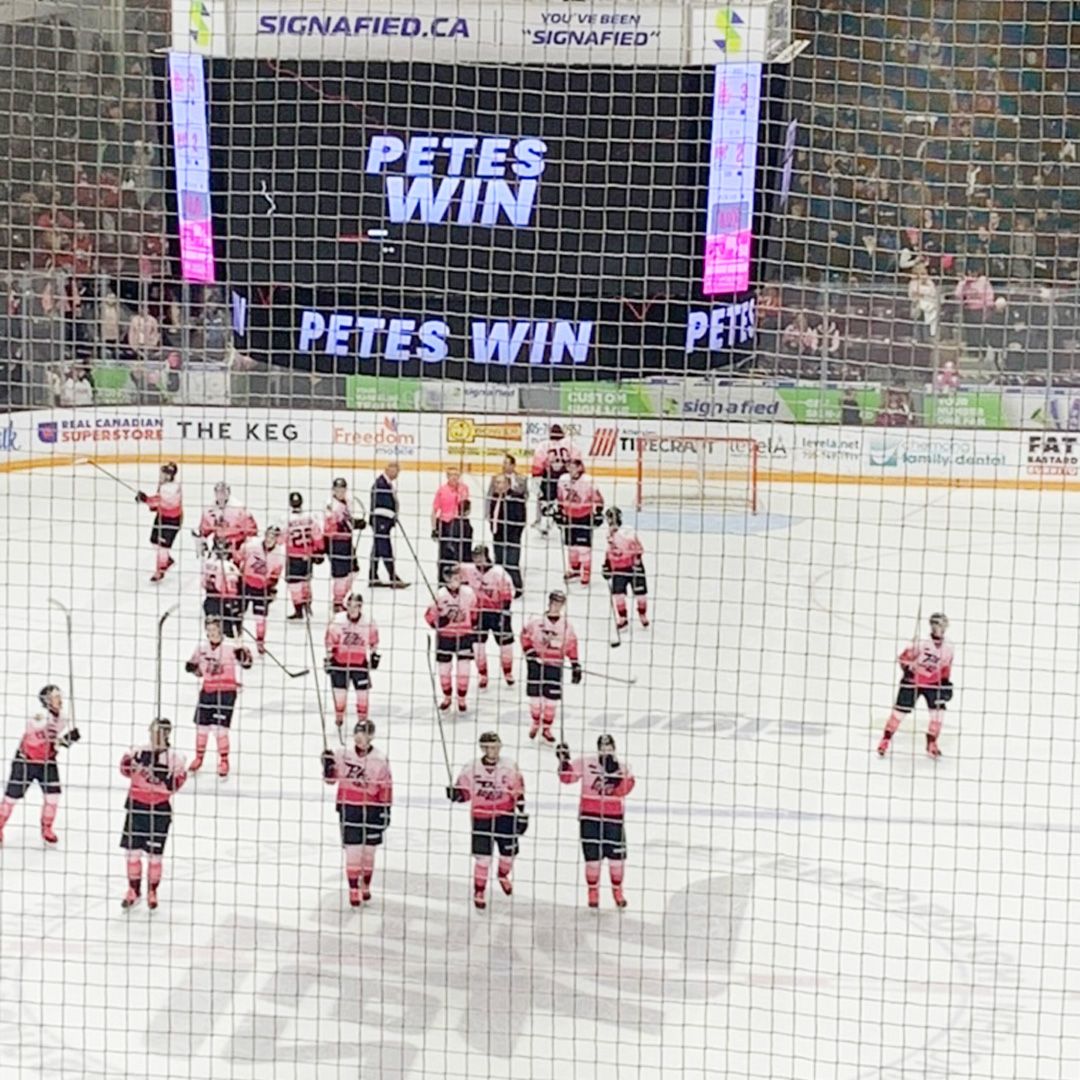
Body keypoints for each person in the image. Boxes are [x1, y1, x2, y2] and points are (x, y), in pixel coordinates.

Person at [446, 732, 527, 910]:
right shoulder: (470, 768)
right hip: (481, 817)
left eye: (496, 746)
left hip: (505, 816)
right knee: (483, 859)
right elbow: (465, 794)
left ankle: (502, 874)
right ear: (483, 748)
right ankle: (479, 890)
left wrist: (521, 813)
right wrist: (456, 795)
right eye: (489, 747)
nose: (493, 750)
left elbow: (519, 790)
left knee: (509, 855)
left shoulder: (510, 766)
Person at [556, 734, 635, 908]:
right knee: (592, 859)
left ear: (614, 748)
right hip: (589, 818)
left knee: (617, 859)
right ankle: (593, 891)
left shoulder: (623, 767)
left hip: (614, 819)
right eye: (603, 747)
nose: (606, 750)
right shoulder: (585, 762)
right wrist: (563, 761)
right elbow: (567, 778)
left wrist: (616, 778)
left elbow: (626, 789)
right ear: (598, 748)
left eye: (609, 747)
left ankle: (617, 890)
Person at [322, 719, 393, 906]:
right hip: (349, 808)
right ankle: (353, 889)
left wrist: (385, 811)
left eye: (365, 735)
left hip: (372, 810)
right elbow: (331, 780)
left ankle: (365, 885)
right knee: (353, 851)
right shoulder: (342, 754)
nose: (360, 739)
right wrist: (327, 766)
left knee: (369, 852)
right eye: (358, 735)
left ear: (372, 736)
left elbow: (386, 786)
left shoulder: (380, 759)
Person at [119, 718, 188, 910]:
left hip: (159, 811)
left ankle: (152, 890)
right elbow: (124, 770)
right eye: (152, 731)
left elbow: (175, 786)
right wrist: (133, 763)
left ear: (167, 734)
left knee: (154, 856)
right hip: (136, 807)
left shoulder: (176, 758)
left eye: (158, 732)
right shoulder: (139, 751)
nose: (153, 736)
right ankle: (133, 890)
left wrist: (163, 776)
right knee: (132, 853)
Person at [0, 685, 79, 845]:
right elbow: (33, 739)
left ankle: (47, 828)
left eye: (59, 695)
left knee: (53, 795)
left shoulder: (62, 719)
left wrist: (65, 741)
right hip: (26, 761)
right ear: (47, 700)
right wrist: (58, 742)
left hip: (47, 762)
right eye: (56, 696)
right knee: (12, 796)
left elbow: (53, 744)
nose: (60, 699)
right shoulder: (39, 717)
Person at [878, 613, 954, 758]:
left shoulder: (949, 647)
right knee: (899, 713)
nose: (941, 628)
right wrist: (907, 670)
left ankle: (932, 742)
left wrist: (945, 683)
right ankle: (886, 740)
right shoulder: (920, 643)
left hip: (933, 684)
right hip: (913, 682)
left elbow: (946, 667)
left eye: (943, 625)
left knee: (938, 715)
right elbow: (903, 658)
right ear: (932, 626)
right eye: (938, 625)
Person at [185, 616, 253, 777]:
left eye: (215, 630)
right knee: (202, 727)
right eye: (209, 631)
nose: (212, 633)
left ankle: (224, 760)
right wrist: (191, 668)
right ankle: (199, 757)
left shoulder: (230, 647)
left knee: (219, 729)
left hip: (226, 692)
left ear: (221, 630)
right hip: (207, 691)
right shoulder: (201, 648)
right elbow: (199, 672)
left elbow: (247, 664)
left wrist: (244, 657)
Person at [520, 590, 581, 742]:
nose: (556, 606)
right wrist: (530, 652)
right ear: (549, 602)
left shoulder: (566, 625)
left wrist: (575, 664)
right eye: (554, 602)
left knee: (551, 700)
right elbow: (525, 636)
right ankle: (535, 722)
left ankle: (547, 728)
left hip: (555, 665)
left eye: (560, 603)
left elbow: (572, 644)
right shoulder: (536, 621)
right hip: (536, 664)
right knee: (535, 698)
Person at [424, 563, 478, 712]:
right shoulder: (439, 595)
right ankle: (447, 697)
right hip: (445, 638)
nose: (457, 579)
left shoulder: (468, 593)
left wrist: (471, 625)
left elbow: (474, 611)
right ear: (446, 579)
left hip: (464, 636)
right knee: (444, 670)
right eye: (453, 577)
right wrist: (442, 621)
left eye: (458, 577)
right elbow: (429, 616)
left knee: (464, 670)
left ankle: (462, 698)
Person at [324, 593, 381, 731]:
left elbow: (373, 639)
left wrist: (374, 655)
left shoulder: (368, 622)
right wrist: (329, 658)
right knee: (339, 694)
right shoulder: (338, 620)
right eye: (349, 605)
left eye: (355, 606)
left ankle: (362, 721)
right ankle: (339, 715)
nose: (351, 609)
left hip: (359, 664)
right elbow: (330, 640)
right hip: (340, 663)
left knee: (363, 695)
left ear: (360, 607)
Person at [462, 546, 516, 689]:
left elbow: (509, 593)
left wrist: (504, 612)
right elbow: (452, 574)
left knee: (506, 646)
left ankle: (508, 672)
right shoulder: (468, 570)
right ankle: (483, 674)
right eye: (475, 556)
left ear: (486, 556)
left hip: (498, 613)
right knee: (478, 646)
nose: (477, 559)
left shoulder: (498, 573)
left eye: (480, 556)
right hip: (478, 614)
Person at [235, 524, 285, 654]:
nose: (269, 539)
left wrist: (272, 588)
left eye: (273, 537)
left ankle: (260, 642)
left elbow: (276, 573)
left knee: (260, 618)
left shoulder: (279, 554)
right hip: (245, 585)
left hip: (261, 589)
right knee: (237, 615)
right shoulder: (251, 545)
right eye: (268, 536)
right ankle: (237, 641)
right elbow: (238, 558)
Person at [555, 458, 605, 585]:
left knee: (583, 548)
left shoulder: (588, 481)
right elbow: (560, 497)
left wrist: (598, 512)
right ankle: (575, 570)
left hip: (584, 517)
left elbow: (598, 498)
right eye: (568, 466)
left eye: (573, 466)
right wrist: (559, 512)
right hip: (569, 517)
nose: (570, 469)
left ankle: (586, 572)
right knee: (572, 548)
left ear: (579, 467)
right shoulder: (563, 479)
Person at [602, 507, 649, 629]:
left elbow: (638, 548)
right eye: (609, 519)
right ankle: (622, 618)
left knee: (641, 594)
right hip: (618, 568)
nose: (611, 521)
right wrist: (606, 564)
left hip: (634, 567)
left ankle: (642, 614)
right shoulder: (609, 534)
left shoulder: (628, 531)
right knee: (618, 594)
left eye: (613, 518)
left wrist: (637, 562)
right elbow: (609, 551)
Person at [136, 461, 182, 583]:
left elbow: (158, 501)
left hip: (171, 520)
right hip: (162, 516)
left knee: (163, 546)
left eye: (163, 473)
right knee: (154, 541)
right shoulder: (164, 484)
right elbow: (158, 502)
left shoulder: (171, 487)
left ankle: (160, 570)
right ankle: (167, 560)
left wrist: (145, 499)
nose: (161, 475)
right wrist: (147, 500)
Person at [325, 477, 366, 612]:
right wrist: (353, 524)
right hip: (336, 543)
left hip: (347, 542)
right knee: (341, 575)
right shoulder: (330, 504)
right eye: (338, 489)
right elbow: (332, 525)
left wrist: (356, 522)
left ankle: (342, 596)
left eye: (343, 489)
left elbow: (347, 521)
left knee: (354, 570)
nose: (340, 492)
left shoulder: (347, 502)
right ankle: (337, 602)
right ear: (333, 490)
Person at [530, 424, 579, 535]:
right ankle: (567, 520)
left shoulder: (544, 445)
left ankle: (543, 522)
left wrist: (536, 477)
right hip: (565, 477)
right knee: (566, 500)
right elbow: (577, 461)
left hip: (549, 477)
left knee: (544, 500)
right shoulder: (570, 444)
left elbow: (538, 463)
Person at [285, 491, 324, 620]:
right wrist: (319, 550)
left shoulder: (285, 519)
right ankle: (307, 606)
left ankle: (298, 610)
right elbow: (317, 534)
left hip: (293, 556)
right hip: (308, 555)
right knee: (306, 582)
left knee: (294, 584)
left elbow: (280, 538)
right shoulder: (310, 517)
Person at [368, 462, 407, 588]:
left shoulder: (386, 483)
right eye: (396, 471)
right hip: (381, 522)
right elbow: (381, 504)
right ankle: (392, 576)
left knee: (378, 549)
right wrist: (391, 516)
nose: (397, 474)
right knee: (385, 548)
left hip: (384, 522)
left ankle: (373, 576)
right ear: (388, 470)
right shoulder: (380, 484)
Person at [487, 472, 527, 595]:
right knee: (499, 563)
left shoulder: (517, 497)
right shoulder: (494, 497)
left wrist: (515, 534)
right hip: (497, 535)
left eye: (501, 482)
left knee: (511, 563)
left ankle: (517, 588)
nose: (498, 485)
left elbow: (521, 518)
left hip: (512, 537)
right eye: (496, 482)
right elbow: (493, 514)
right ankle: (502, 587)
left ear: (508, 484)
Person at [196, 482, 257, 556]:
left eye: (223, 492)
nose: (221, 495)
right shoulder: (209, 510)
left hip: (237, 546)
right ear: (215, 493)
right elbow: (204, 530)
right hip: (218, 546)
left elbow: (252, 531)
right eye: (219, 492)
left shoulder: (239, 509)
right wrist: (201, 542)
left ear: (229, 493)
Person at [430, 467, 470, 581]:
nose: (454, 477)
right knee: (445, 553)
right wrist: (434, 529)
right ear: (447, 476)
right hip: (445, 524)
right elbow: (434, 511)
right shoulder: (441, 490)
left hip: (460, 523)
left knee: (461, 552)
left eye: (457, 475)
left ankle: (462, 578)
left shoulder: (464, 488)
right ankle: (443, 579)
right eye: (451, 475)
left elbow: (466, 509)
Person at [201, 538, 242, 640]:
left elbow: (203, 583)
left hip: (209, 600)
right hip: (224, 601)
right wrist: (234, 604)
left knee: (212, 629)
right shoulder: (229, 566)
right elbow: (232, 588)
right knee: (230, 632)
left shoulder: (207, 563)